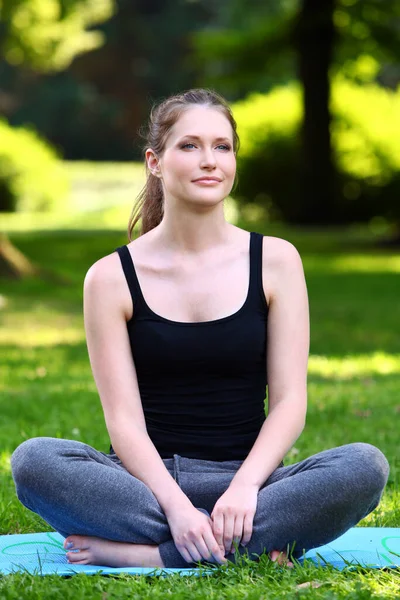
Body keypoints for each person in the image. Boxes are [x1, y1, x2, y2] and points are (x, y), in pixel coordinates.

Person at [11, 88, 389, 570]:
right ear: (155, 161)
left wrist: (247, 488)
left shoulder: (276, 261)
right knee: (34, 461)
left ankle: (155, 555)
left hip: (251, 486)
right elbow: (123, 422)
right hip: (146, 486)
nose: (209, 160)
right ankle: (235, 547)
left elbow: (291, 402)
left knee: (364, 466)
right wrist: (175, 506)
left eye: (222, 146)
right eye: (189, 146)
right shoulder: (109, 278)